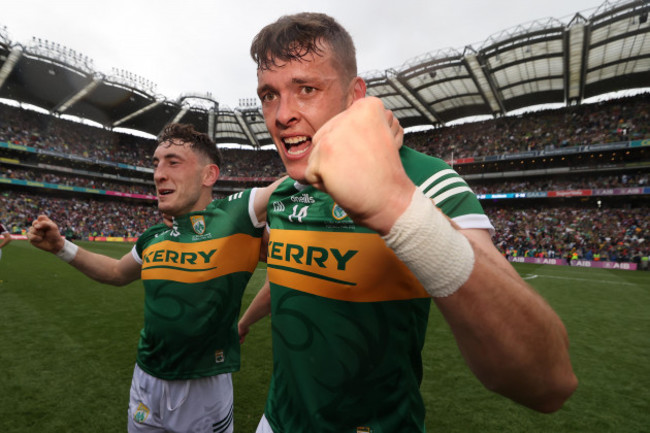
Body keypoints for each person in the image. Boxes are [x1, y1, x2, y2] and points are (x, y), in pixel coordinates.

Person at [239, 12, 578, 433]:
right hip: (275, 420)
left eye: (306, 89)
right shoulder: (286, 193)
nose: (282, 114)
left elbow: (549, 382)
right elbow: (294, 273)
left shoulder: (425, 180)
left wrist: (398, 207)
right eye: (269, 95)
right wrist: (244, 321)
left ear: (354, 96)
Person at [28, 123, 282, 433]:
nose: (158, 173)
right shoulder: (153, 236)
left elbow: (293, 182)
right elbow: (116, 273)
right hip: (145, 378)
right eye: (156, 163)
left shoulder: (238, 216)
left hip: (202, 387)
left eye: (173, 162)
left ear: (208, 175)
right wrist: (61, 247)